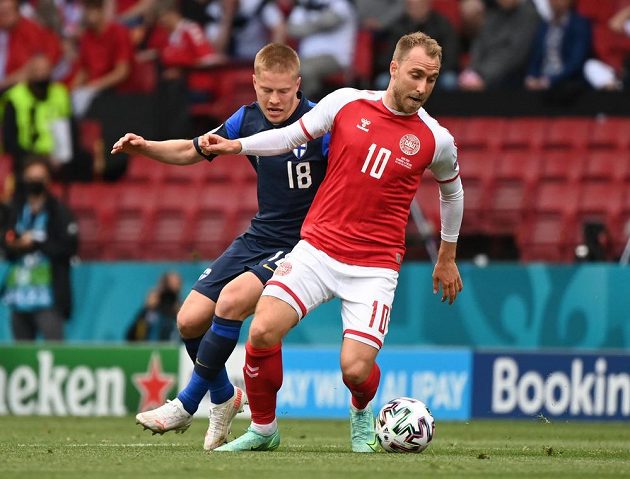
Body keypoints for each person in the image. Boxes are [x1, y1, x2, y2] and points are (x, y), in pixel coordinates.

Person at [199, 31, 463, 452]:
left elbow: (453, 191)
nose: (421, 88)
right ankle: (264, 430)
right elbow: (288, 137)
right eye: (415, 75)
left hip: (374, 267)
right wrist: (237, 145)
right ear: (393, 69)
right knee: (263, 329)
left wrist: (446, 257)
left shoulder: (435, 139)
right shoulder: (345, 103)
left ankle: (361, 410)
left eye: (431, 80)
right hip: (317, 249)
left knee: (355, 371)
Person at [110, 43, 328, 450]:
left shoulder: (319, 124)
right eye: (266, 90)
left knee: (229, 302)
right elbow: (193, 148)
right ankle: (226, 399)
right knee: (189, 319)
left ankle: (186, 403)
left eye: (284, 91)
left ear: (298, 85)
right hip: (261, 236)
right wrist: (147, 148)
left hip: (303, 243)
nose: (275, 99)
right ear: (254, 83)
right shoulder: (245, 119)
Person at [0, 157, 79, 341]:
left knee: (54, 355)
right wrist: (16, 245)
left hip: (49, 298)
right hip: (18, 296)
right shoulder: (14, 210)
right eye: (31, 177)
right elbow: (5, 243)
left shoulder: (60, 212)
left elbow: (69, 248)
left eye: (39, 177)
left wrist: (37, 243)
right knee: (23, 360)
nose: (35, 182)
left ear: (48, 180)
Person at [458, 0, 540, 90]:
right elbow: (480, 45)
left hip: (512, 81)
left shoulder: (529, 14)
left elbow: (514, 55)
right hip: (485, 76)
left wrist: (483, 76)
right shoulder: (494, 13)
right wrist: (473, 72)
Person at [524, 0, 591, 92]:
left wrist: (549, 81)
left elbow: (576, 62)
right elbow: (536, 57)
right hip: (541, 78)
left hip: (565, 81)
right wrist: (531, 77)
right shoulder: (544, 25)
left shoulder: (579, 25)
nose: (555, 2)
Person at [126, 271, 183, 341]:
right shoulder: (149, 313)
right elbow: (132, 337)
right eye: (167, 286)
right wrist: (146, 309)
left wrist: (180, 314)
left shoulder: (181, 309)